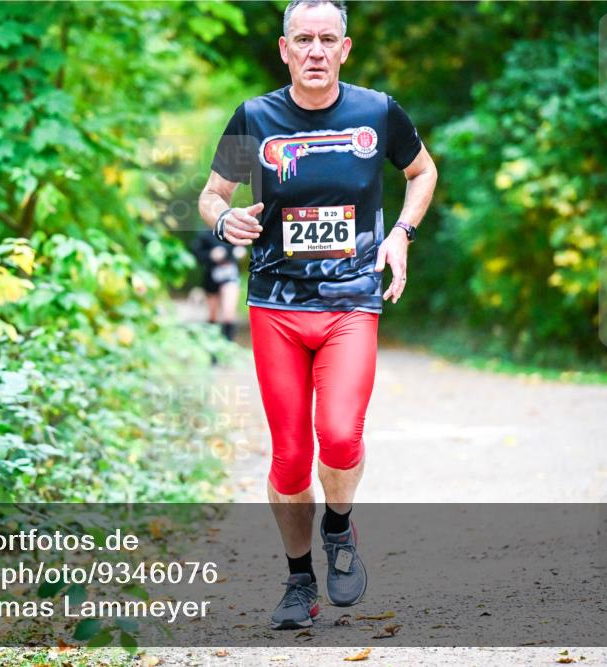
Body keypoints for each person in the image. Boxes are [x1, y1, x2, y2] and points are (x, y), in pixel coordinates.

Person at [197, 0, 437, 630]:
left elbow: (421, 171)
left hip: (351, 301)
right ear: (284, 50)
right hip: (275, 304)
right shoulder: (255, 118)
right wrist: (225, 218)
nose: (314, 51)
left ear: (345, 49)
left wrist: (401, 234)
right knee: (289, 456)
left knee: (339, 435)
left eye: (327, 39)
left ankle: (338, 527)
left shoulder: (377, 112)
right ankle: (299, 580)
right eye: (302, 39)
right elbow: (212, 194)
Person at [191, 228, 246, 344]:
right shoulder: (204, 235)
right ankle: (213, 350)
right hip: (211, 277)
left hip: (230, 276)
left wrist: (240, 252)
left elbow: (242, 248)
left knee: (229, 314)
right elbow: (196, 254)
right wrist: (210, 255)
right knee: (213, 316)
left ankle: (227, 346)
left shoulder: (233, 230)